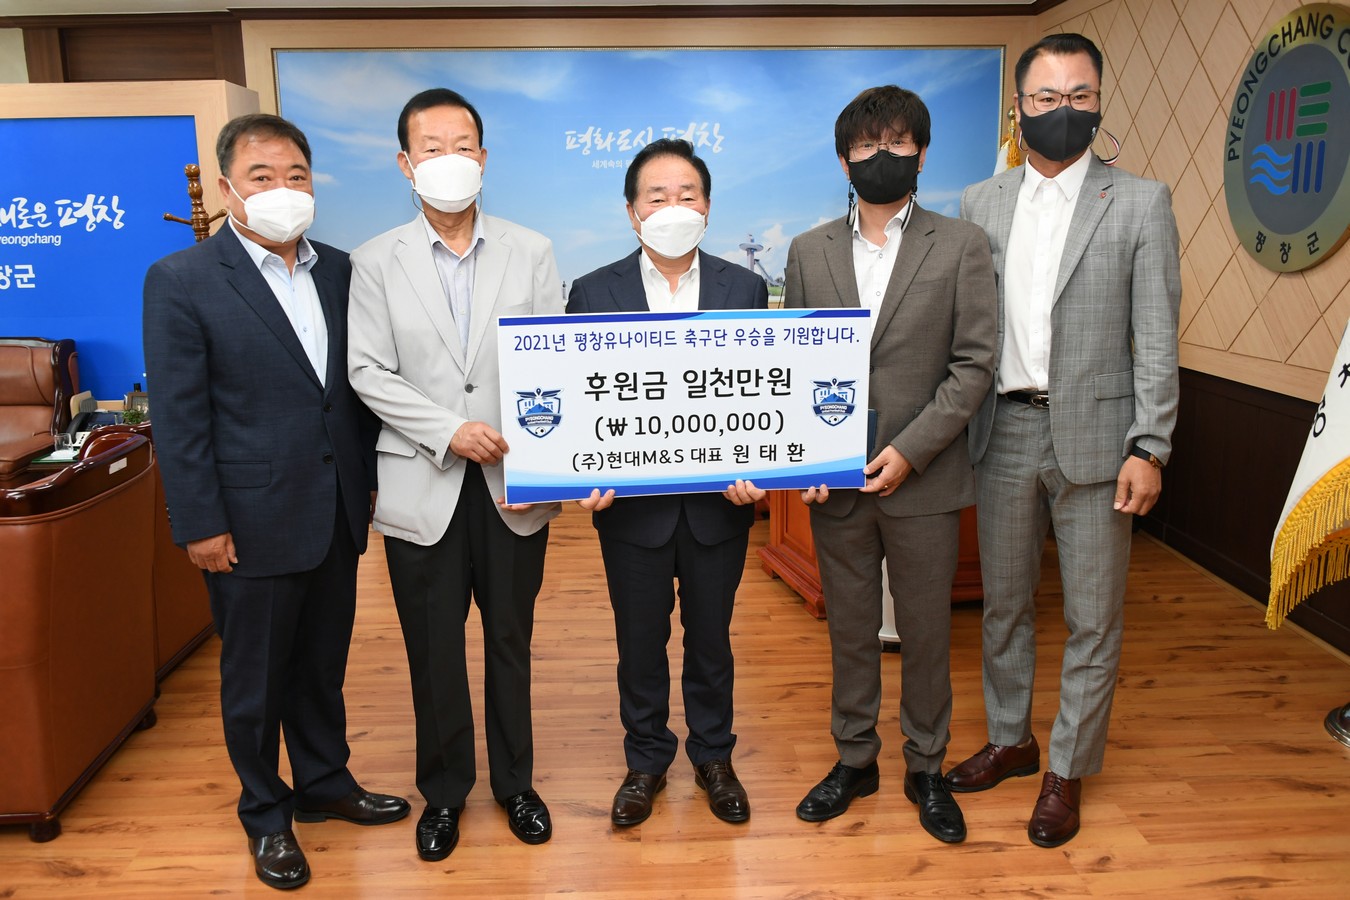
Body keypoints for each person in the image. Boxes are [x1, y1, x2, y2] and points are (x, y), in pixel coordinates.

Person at [143, 113, 409, 891]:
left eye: (296, 175)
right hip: (247, 521)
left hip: (335, 508)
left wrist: (366, 481)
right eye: (262, 176)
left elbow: (353, 392)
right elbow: (180, 417)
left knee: (321, 666)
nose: (282, 189)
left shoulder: (341, 271)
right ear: (229, 188)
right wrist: (199, 522)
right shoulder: (182, 279)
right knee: (256, 681)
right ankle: (265, 811)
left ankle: (325, 782)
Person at [946, 33, 1181, 848]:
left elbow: (1157, 338)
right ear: (1019, 109)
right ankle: (1011, 740)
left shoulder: (1141, 202)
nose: (1063, 110)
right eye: (1047, 97)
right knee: (1004, 605)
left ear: (1099, 102)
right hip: (1003, 428)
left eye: (1080, 95)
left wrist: (1150, 447)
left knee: (1093, 617)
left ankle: (1067, 770)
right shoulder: (980, 202)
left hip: (1101, 440)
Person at [347, 88, 562, 861]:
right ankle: (443, 793)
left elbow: (554, 364)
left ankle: (516, 784)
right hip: (422, 481)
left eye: (462, 145)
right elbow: (367, 370)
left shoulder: (531, 251)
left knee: (510, 641)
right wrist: (449, 430)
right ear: (406, 164)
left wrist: (546, 464)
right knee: (433, 650)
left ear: (484, 157)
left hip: (513, 486)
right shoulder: (375, 260)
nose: (449, 159)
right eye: (431, 148)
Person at [785, 86, 997, 844]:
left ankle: (927, 766)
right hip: (835, 484)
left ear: (922, 154)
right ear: (845, 160)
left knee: (926, 632)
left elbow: (974, 364)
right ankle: (855, 759)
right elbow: (794, 368)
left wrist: (910, 450)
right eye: (867, 147)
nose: (882, 157)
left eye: (898, 143)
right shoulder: (807, 250)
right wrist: (806, 459)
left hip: (925, 477)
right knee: (849, 628)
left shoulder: (962, 244)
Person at [565, 138, 769, 828]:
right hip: (631, 513)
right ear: (632, 211)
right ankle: (646, 759)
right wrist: (581, 471)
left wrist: (761, 472)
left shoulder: (745, 290)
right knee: (639, 644)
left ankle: (714, 757)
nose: (673, 207)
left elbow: (763, 393)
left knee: (712, 642)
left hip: (720, 509)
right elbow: (580, 401)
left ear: (707, 207)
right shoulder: (593, 292)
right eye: (657, 196)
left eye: (687, 194)